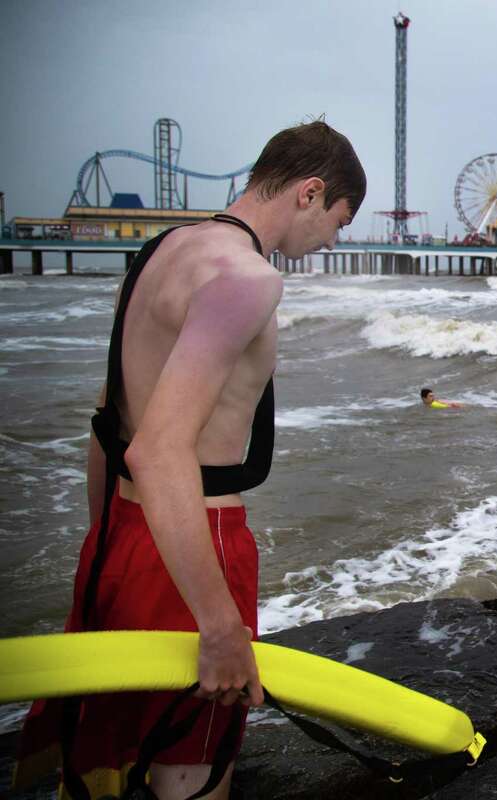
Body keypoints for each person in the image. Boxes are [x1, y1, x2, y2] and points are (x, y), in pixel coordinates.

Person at [16, 121, 365, 800]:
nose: (332, 240)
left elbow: (108, 423)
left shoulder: (159, 254)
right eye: (338, 220)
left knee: (109, 760)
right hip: (195, 541)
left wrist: (106, 541)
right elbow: (159, 448)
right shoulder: (246, 278)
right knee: (189, 774)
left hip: (124, 532)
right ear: (310, 192)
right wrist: (219, 622)